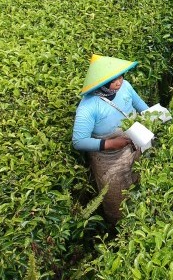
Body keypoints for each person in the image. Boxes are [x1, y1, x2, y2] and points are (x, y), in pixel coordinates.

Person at [72, 54, 149, 225]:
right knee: (116, 199)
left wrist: (155, 117)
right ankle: (120, 230)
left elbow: (142, 107)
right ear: (101, 83)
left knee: (139, 180)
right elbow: (78, 141)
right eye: (113, 80)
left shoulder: (125, 87)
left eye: (120, 76)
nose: (119, 82)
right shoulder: (88, 107)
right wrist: (110, 144)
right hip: (109, 160)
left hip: (134, 145)